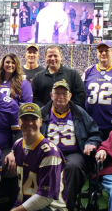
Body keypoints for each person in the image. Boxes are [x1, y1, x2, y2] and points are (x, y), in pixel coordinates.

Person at [42, 80, 102, 211]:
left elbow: (95, 133)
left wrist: (91, 143)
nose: (61, 97)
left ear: (70, 96)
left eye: (64, 93)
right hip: (48, 153)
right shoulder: (42, 113)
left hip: (74, 154)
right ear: (51, 96)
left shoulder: (79, 113)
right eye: (57, 93)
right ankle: (45, 205)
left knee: (73, 167)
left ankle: (65, 207)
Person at [11, 103, 67, 211]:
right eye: (25, 119)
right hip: (25, 203)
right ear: (18, 121)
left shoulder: (50, 152)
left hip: (50, 207)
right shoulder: (18, 145)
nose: (30, 122)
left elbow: (46, 197)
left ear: (41, 122)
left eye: (34, 119)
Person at [82, 40, 112, 140]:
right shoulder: (88, 71)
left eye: (106, 50)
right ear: (97, 54)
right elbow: (81, 96)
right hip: (90, 125)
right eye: (100, 51)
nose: (103, 53)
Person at [32, 45, 86, 109]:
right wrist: (45, 110)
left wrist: (68, 108)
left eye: (55, 56)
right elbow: (34, 97)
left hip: (68, 115)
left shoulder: (72, 74)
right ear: (45, 58)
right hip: (45, 117)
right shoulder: (38, 77)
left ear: (61, 57)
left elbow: (81, 94)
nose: (52, 58)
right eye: (50, 56)